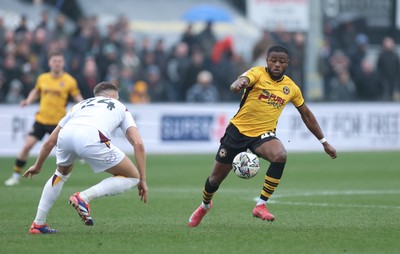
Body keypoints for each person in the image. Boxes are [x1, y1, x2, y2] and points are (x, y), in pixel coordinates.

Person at [187, 45, 337, 227]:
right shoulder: (257, 73)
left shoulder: (291, 88)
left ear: (287, 63)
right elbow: (240, 81)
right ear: (267, 60)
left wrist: (324, 142)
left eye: (281, 62)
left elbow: (306, 115)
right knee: (215, 179)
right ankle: (204, 205)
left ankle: (261, 205)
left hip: (262, 136)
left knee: (280, 155)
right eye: (273, 60)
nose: (276, 64)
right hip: (237, 132)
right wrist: (237, 84)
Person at [23, 82, 148, 234]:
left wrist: (37, 165)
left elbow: (50, 141)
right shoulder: (119, 105)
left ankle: (38, 223)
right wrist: (143, 179)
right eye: (117, 97)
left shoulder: (80, 105)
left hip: (66, 135)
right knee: (132, 177)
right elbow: (138, 143)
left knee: (61, 173)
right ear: (112, 96)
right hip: (91, 137)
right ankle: (83, 197)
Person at [5, 51, 84, 186]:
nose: (57, 64)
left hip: (58, 123)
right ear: (50, 63)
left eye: (59, 61)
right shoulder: (43, 78)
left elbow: (76, 95)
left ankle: (79, 157)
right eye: (54, 61)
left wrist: (84, 105)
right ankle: (15, 176)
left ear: (63, 63)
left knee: (66, 151)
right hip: (41, 120)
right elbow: (36, 91)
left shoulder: (69, 81)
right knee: (27, 146)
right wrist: (28, 100)